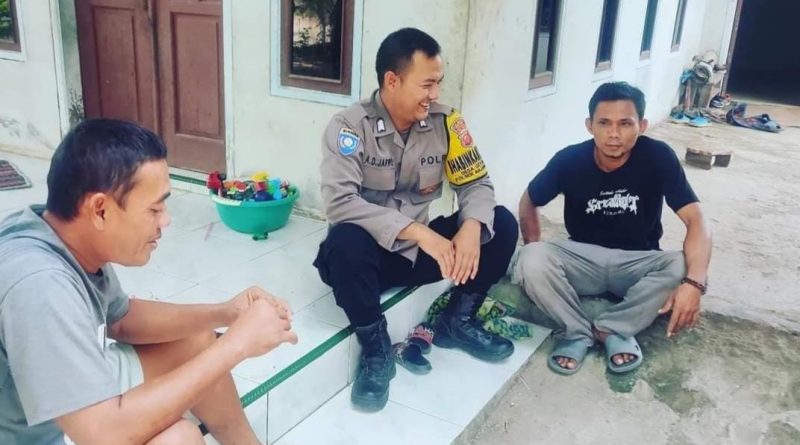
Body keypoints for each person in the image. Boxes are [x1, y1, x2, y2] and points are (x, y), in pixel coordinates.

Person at [0, 119, 298, 445]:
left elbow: (122, 319)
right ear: (100, 210)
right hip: (38, 436)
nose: (166, 220)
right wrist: (236, 346)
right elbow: (103, 435)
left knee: (194, 340)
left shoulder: (62, 235)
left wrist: (227, 312)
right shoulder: (39, 285)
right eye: (154, 209)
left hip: (62, 400)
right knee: (179, 440)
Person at [313, 28, 519, 411]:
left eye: (438, 83)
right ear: (393, 81)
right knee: (343, 243)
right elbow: (340, 204)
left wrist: (470, 227)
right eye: (427, 84)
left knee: (501, 223)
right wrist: (420, 233)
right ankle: (376, 350)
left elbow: (476, 183)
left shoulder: (446, 123)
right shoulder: (348, 128)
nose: (435, 94)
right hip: (367, 262)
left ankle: (458, 320)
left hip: (419, 257)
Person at [515, 82, 712, 375]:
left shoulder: (658, 156)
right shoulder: (570, 159)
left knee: (684, 265)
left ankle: (612, 329)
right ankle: (577, 332)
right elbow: (529, 201)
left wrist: (694, 284)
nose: (614, 134)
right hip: (582, 259)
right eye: (604, 123)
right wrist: (535, 252)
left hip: (637, 262)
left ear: (642, 126)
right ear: (589, 125)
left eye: (625, 123)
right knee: (531, 257)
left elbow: (697, 220)